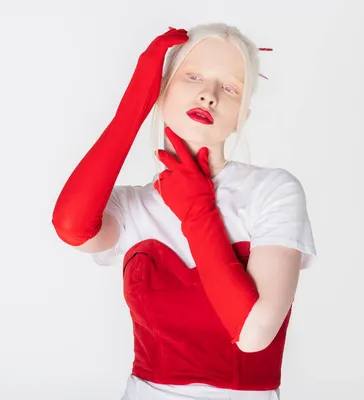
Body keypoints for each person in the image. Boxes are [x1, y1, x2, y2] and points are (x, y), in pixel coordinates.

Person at [52, 22, 316, 400]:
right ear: (161, 93)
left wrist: (197, 212)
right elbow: (71, 227)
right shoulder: (132, 205)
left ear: (243, 114)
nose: (208, 95)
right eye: (192, 77)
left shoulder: (273, 191)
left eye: (229, 87)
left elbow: (253, 334)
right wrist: (133, 108)